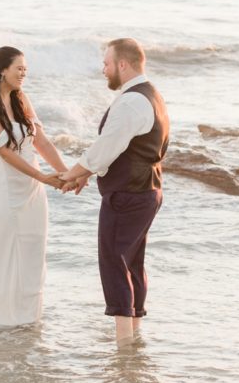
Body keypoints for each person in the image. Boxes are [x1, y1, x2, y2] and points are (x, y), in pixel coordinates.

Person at [59, 38, 170, 345]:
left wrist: (73, 173)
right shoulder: (152, 95)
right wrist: (85, 175)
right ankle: (133, 339)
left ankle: (124, 348)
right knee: (131, 263)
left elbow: (106, 147)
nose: (103, 69)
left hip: (129, 194)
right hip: (145, 191)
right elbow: (119, 150)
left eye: (107, 63)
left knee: (115, 263)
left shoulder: (133, 101)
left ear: (123, 64)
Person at [0, 46, 67, 327]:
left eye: (26, 69)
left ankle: (27, 319)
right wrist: (44, 178)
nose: (24, 74)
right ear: (2, 69)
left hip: (32, 189)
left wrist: (66, 173)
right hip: (5, 188)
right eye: (19, 68)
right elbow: (6, 154)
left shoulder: (22, 98)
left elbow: (41, 142)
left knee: (34, 249)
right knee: (3, 252)